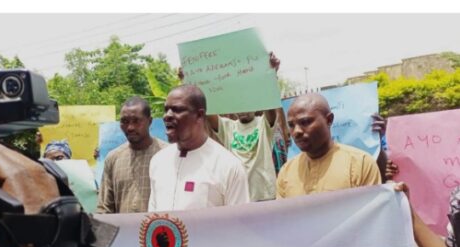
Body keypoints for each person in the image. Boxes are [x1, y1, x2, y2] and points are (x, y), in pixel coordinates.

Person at [148, 85, 249, 211]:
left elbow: (239, 223)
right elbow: (152, 218)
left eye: (177, 110)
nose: (167, 116)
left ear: (199, 115)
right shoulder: (158, 161)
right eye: (166, 109)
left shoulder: (229, 166)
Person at [276, 93, 381, 199]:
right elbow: (281, 214)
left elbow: (373, 212)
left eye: (305, 122)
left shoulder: (361, 164)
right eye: (291, 125)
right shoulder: (286, 172)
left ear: (329, 120)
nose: (296, 131)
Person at [207, 53, 282, 202]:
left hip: (264, 196)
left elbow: (270, 102)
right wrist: (189, 80)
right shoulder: (227, 127)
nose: (242, 109)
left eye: (247, 103)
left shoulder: (263, 124)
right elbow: (206, 108)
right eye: (238, 104)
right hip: (238, 196)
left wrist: (270, 74)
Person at [97, 97, 167, 214]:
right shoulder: (113, 158)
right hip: (123, 231)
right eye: (124, 122)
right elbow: (104, 208)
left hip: (160, 230)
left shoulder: (167, 155)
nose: (130, 127)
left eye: (136, 121)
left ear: (149, 121)